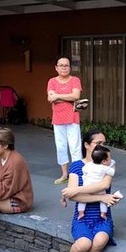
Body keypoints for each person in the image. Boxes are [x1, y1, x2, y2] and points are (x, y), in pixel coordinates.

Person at [59, 129, 122, 252]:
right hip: (82, 216)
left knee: (100, 240)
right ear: (87, 145)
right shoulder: (77, 166)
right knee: (84, 244)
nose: (102, 146)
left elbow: (104, 184)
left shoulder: (108, 162)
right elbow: (74, 198)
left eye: (104, 143)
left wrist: (76, 189)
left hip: (102, 216)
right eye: (98, 143)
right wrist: (102, 197)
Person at [47, 56, 83, 184]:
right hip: (57, 119)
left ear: (70, 67)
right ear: (56, 67)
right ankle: (64, 174)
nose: (64, 67)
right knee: (61, 147)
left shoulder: (75, 80)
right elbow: (50, 98)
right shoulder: (52, 81)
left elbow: (76, 96)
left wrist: (58, 96)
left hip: (72, 118)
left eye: (66, 65)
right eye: (61, 65)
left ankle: (77, 175)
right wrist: (67, 98)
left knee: (75, 147)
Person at [75, 145, 116, 220]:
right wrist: (112, 164)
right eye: (110, 158)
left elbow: (84, 170)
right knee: (104, 199)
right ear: (104, 161)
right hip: (98, 188)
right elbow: (112, 172)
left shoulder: (89, 165)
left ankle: (81, 212)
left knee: (82, 201)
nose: (111, 159)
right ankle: (103, 213)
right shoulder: (104, 168)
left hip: (87, 187)